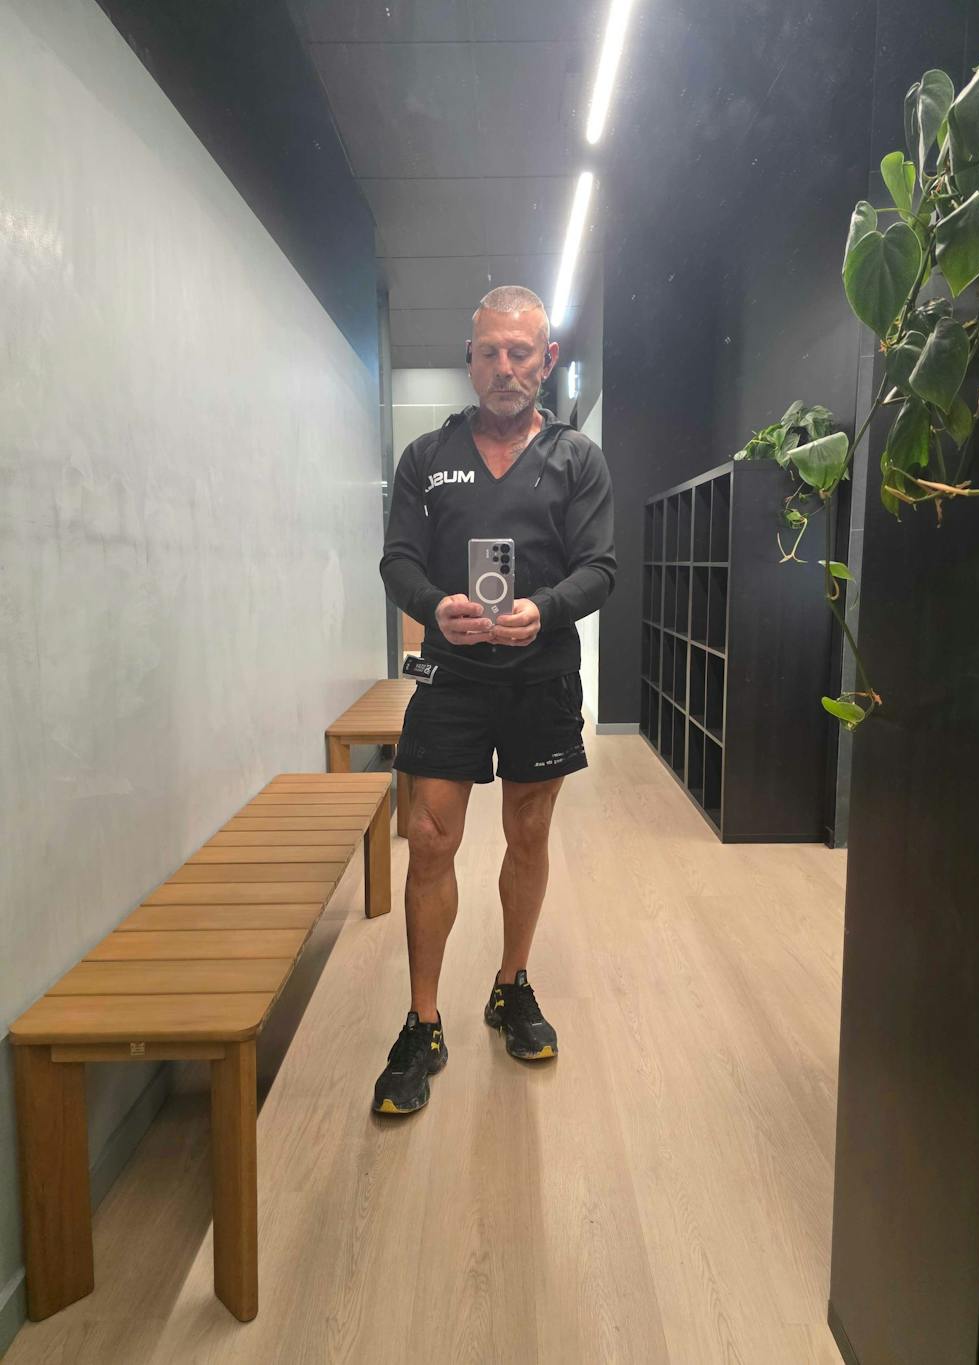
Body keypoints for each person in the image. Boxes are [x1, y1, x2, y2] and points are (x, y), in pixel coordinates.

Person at [373, 285, 616, 1114]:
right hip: (450, 673)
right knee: (429, 838)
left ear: (547, 359)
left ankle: (512, 983)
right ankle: (423, 1019)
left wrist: (542, 610)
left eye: (521, 352)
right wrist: (431, 604)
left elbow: (600, 567)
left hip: (540, 676)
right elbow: (398, 559)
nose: (505, 367)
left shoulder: (577, 459)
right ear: (470, 359)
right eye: (490, 352)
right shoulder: (426, 457)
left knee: (529, 833)